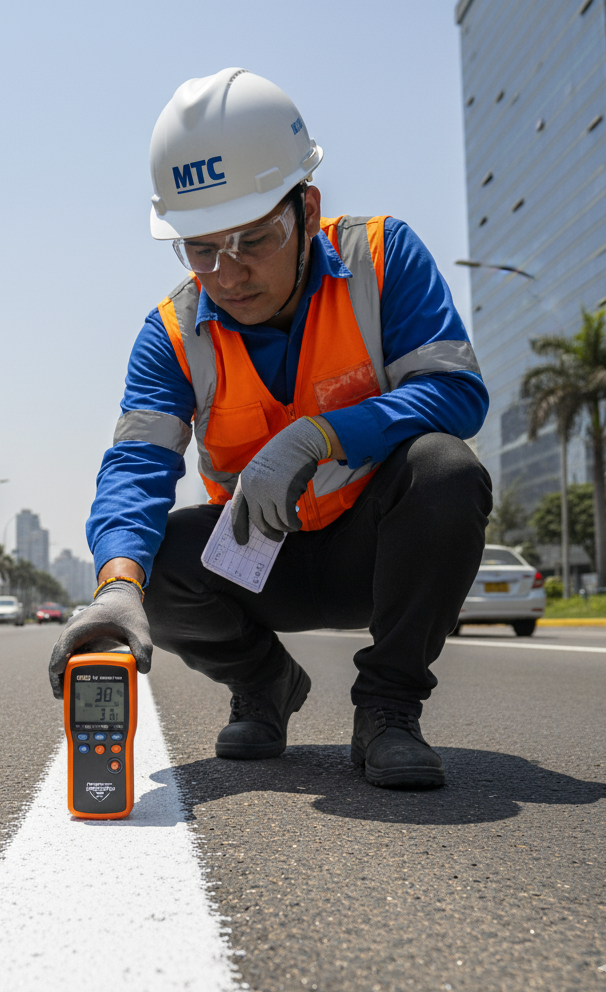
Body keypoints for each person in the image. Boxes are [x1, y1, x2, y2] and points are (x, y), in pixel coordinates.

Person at [50, 68, 492, 788]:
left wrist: (321, 435)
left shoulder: (382, 258)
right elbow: (136, 464)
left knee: (447, 469)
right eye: (201, 248)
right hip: (260, 559)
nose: (228, 273)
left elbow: (456, 391)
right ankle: (264, 685)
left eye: (254, 238)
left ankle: (388, 706)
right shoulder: (172, 332)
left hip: (378, 548)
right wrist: (117, 585)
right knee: (150, 560)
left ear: (307, 208)